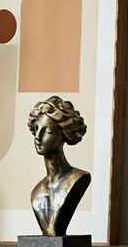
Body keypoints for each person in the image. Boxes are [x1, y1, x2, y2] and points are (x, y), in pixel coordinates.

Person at [27, 96, 91, 237]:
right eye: (36, 129)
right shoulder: (36, 192)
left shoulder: (78, 179)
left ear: (64, 134)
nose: (38, 137)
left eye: (48, 132)